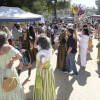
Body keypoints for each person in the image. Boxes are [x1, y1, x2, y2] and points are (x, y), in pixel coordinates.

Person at [0, 31, 26, 100]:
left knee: (2, 89)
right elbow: (20, 56)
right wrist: (12, 60)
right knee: (12, 88)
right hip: (9, 70)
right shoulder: (8, 47)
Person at [33, 35, 55, 100]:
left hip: (43, 71)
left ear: (41, 43)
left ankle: (42, 97)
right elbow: (53, 51)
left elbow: (42, 62)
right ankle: (48, 96)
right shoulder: (49, 49)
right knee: (47, 84)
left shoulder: (42, 52)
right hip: (48, 69)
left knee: (41, 85)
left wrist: (39, 69)